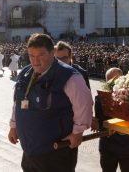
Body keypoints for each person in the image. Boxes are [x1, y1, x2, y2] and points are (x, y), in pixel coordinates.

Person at [7, 33, 93, 172]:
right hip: (29, 150)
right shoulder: (25, 73)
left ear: (52, 53)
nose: (35, 61)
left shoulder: (70, 76)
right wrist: (13, 125)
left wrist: (78, 132)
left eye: (41, 55)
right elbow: (17, 101)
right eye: (31, 56)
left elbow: (84, 104)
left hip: (56, 152)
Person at [92, 67, 129, 172]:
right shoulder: (100, 98)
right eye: (109, 81)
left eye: (115, 80)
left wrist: (124, 128)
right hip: (108, 148)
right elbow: (101, 123)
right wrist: (98, 124)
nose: (113, 84)